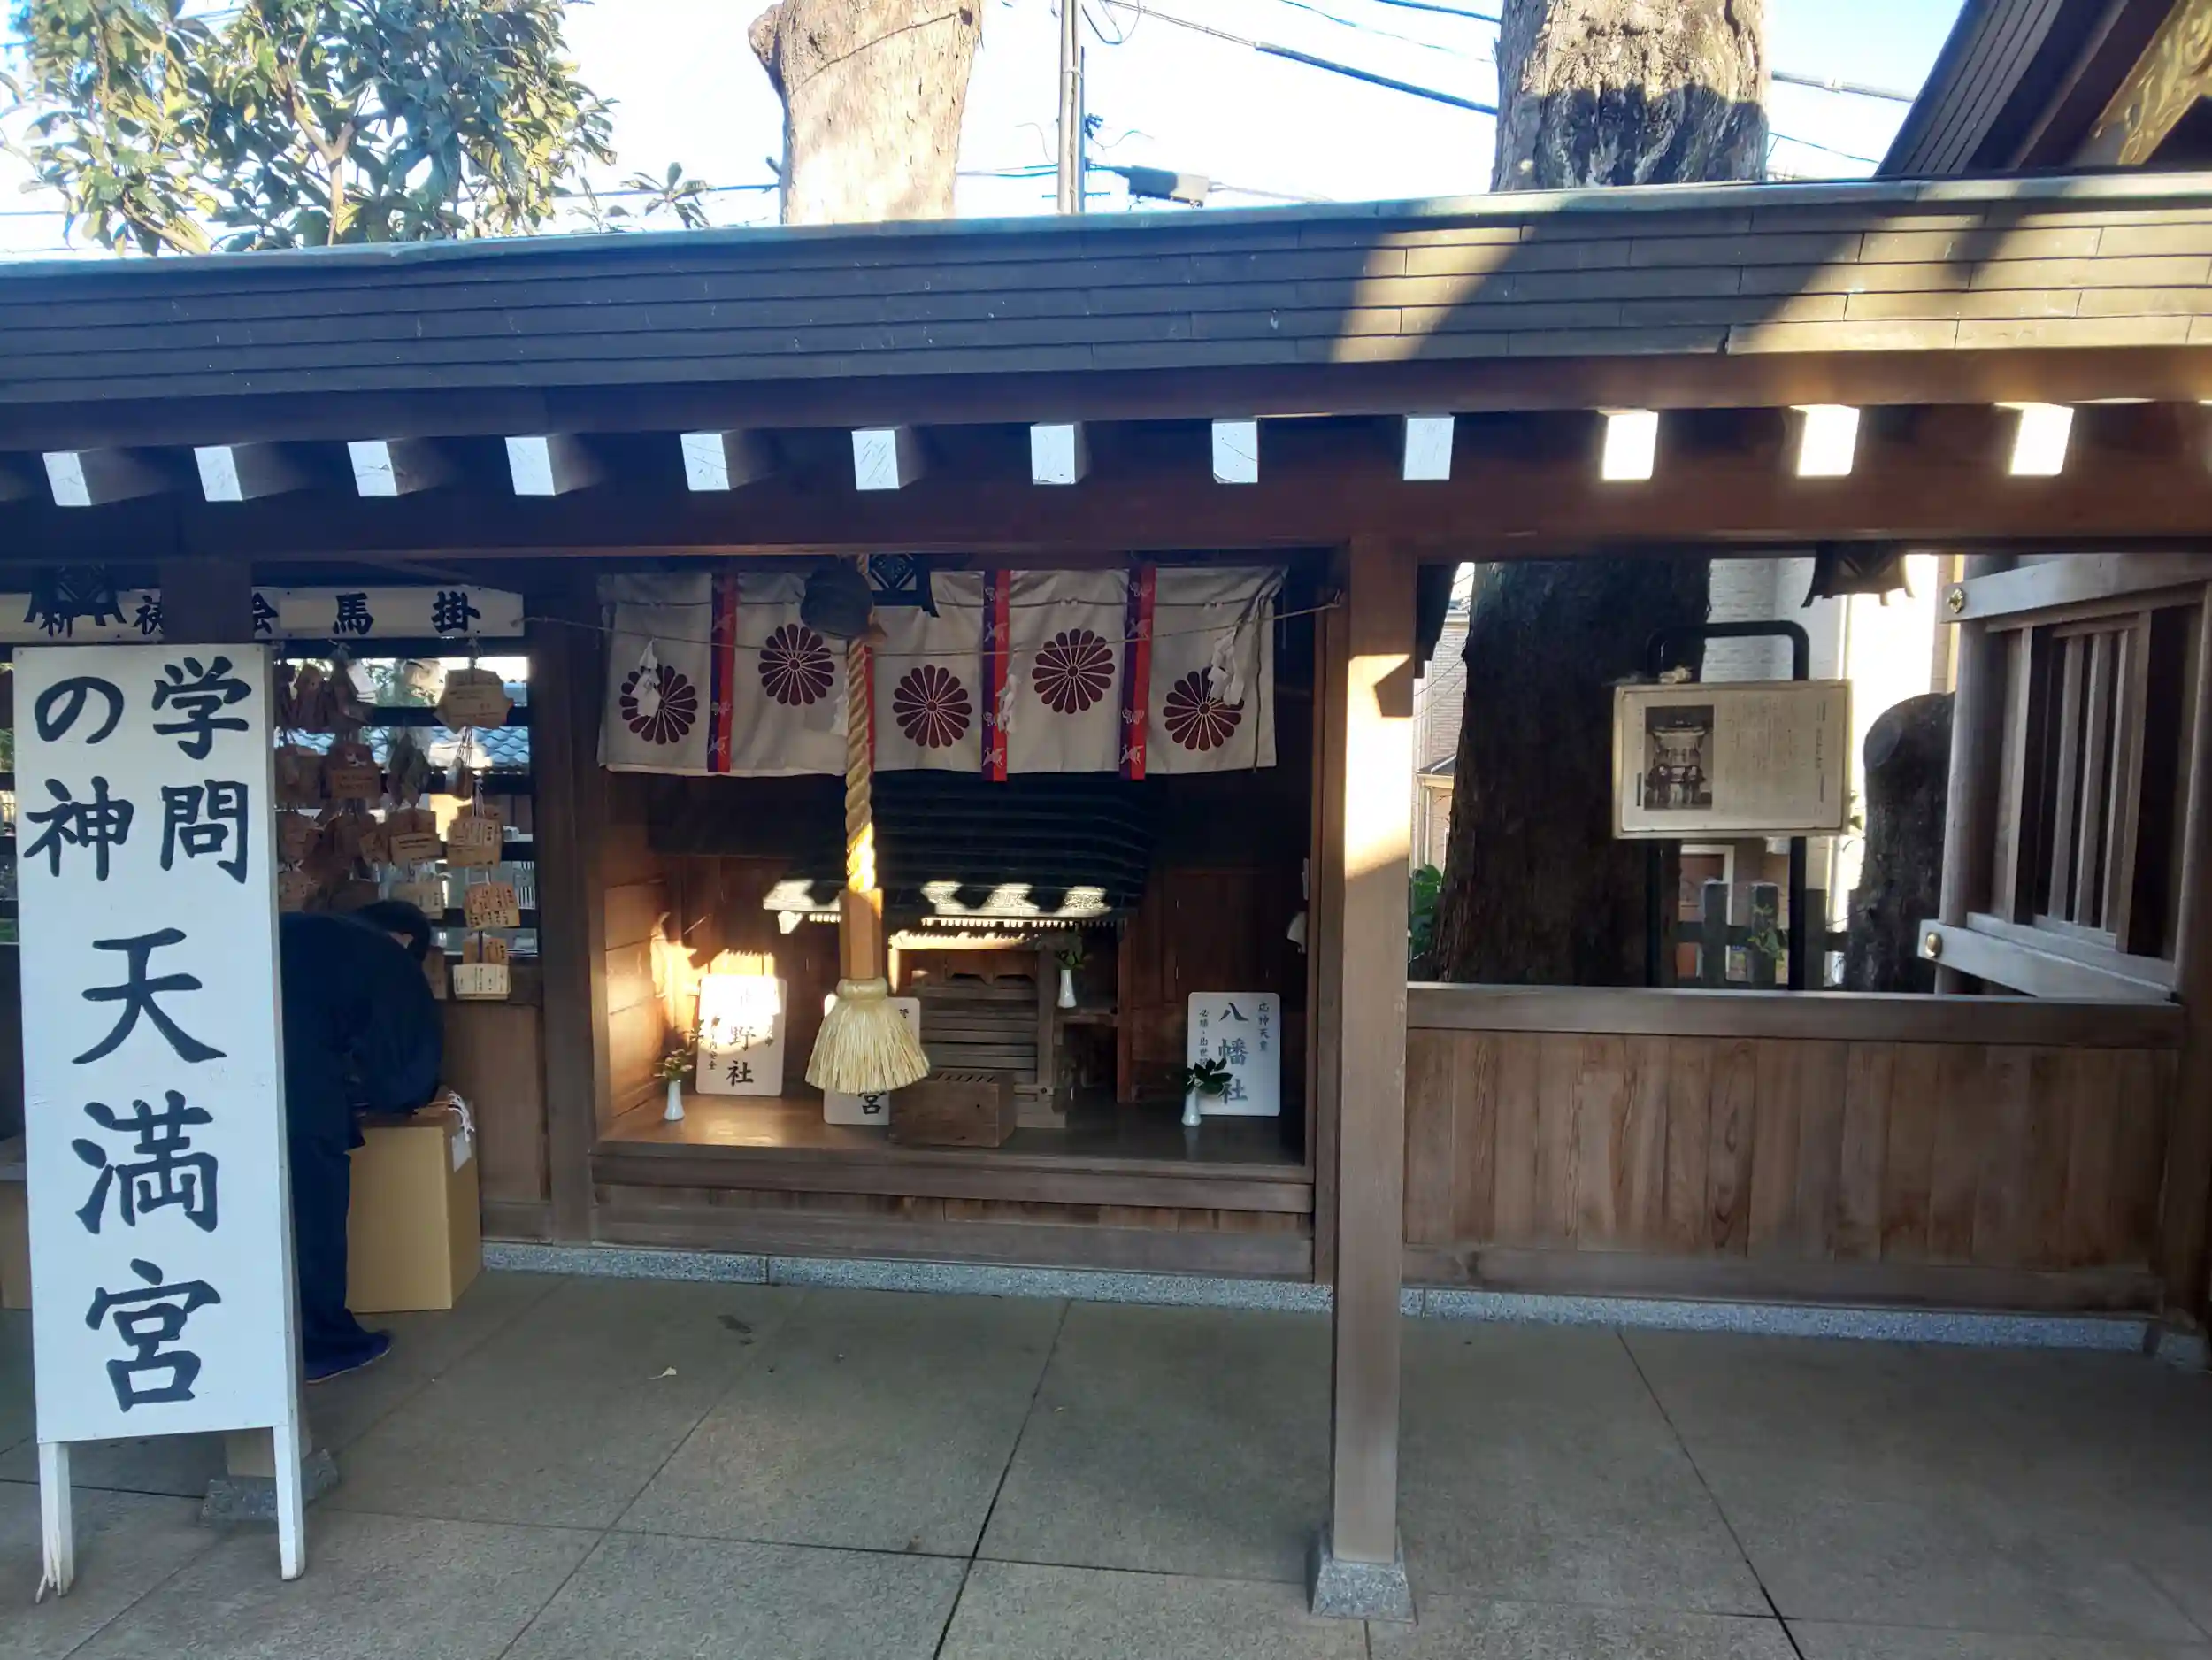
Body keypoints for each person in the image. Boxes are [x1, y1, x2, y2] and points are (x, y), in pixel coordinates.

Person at [278, 902, 442, 1382]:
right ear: (407, 942)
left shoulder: (300, 929)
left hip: (214, 1079)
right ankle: (321, 1344)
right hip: (301, 1090)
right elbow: (407, 1074)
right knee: (312, 1212)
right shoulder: (389, 961)